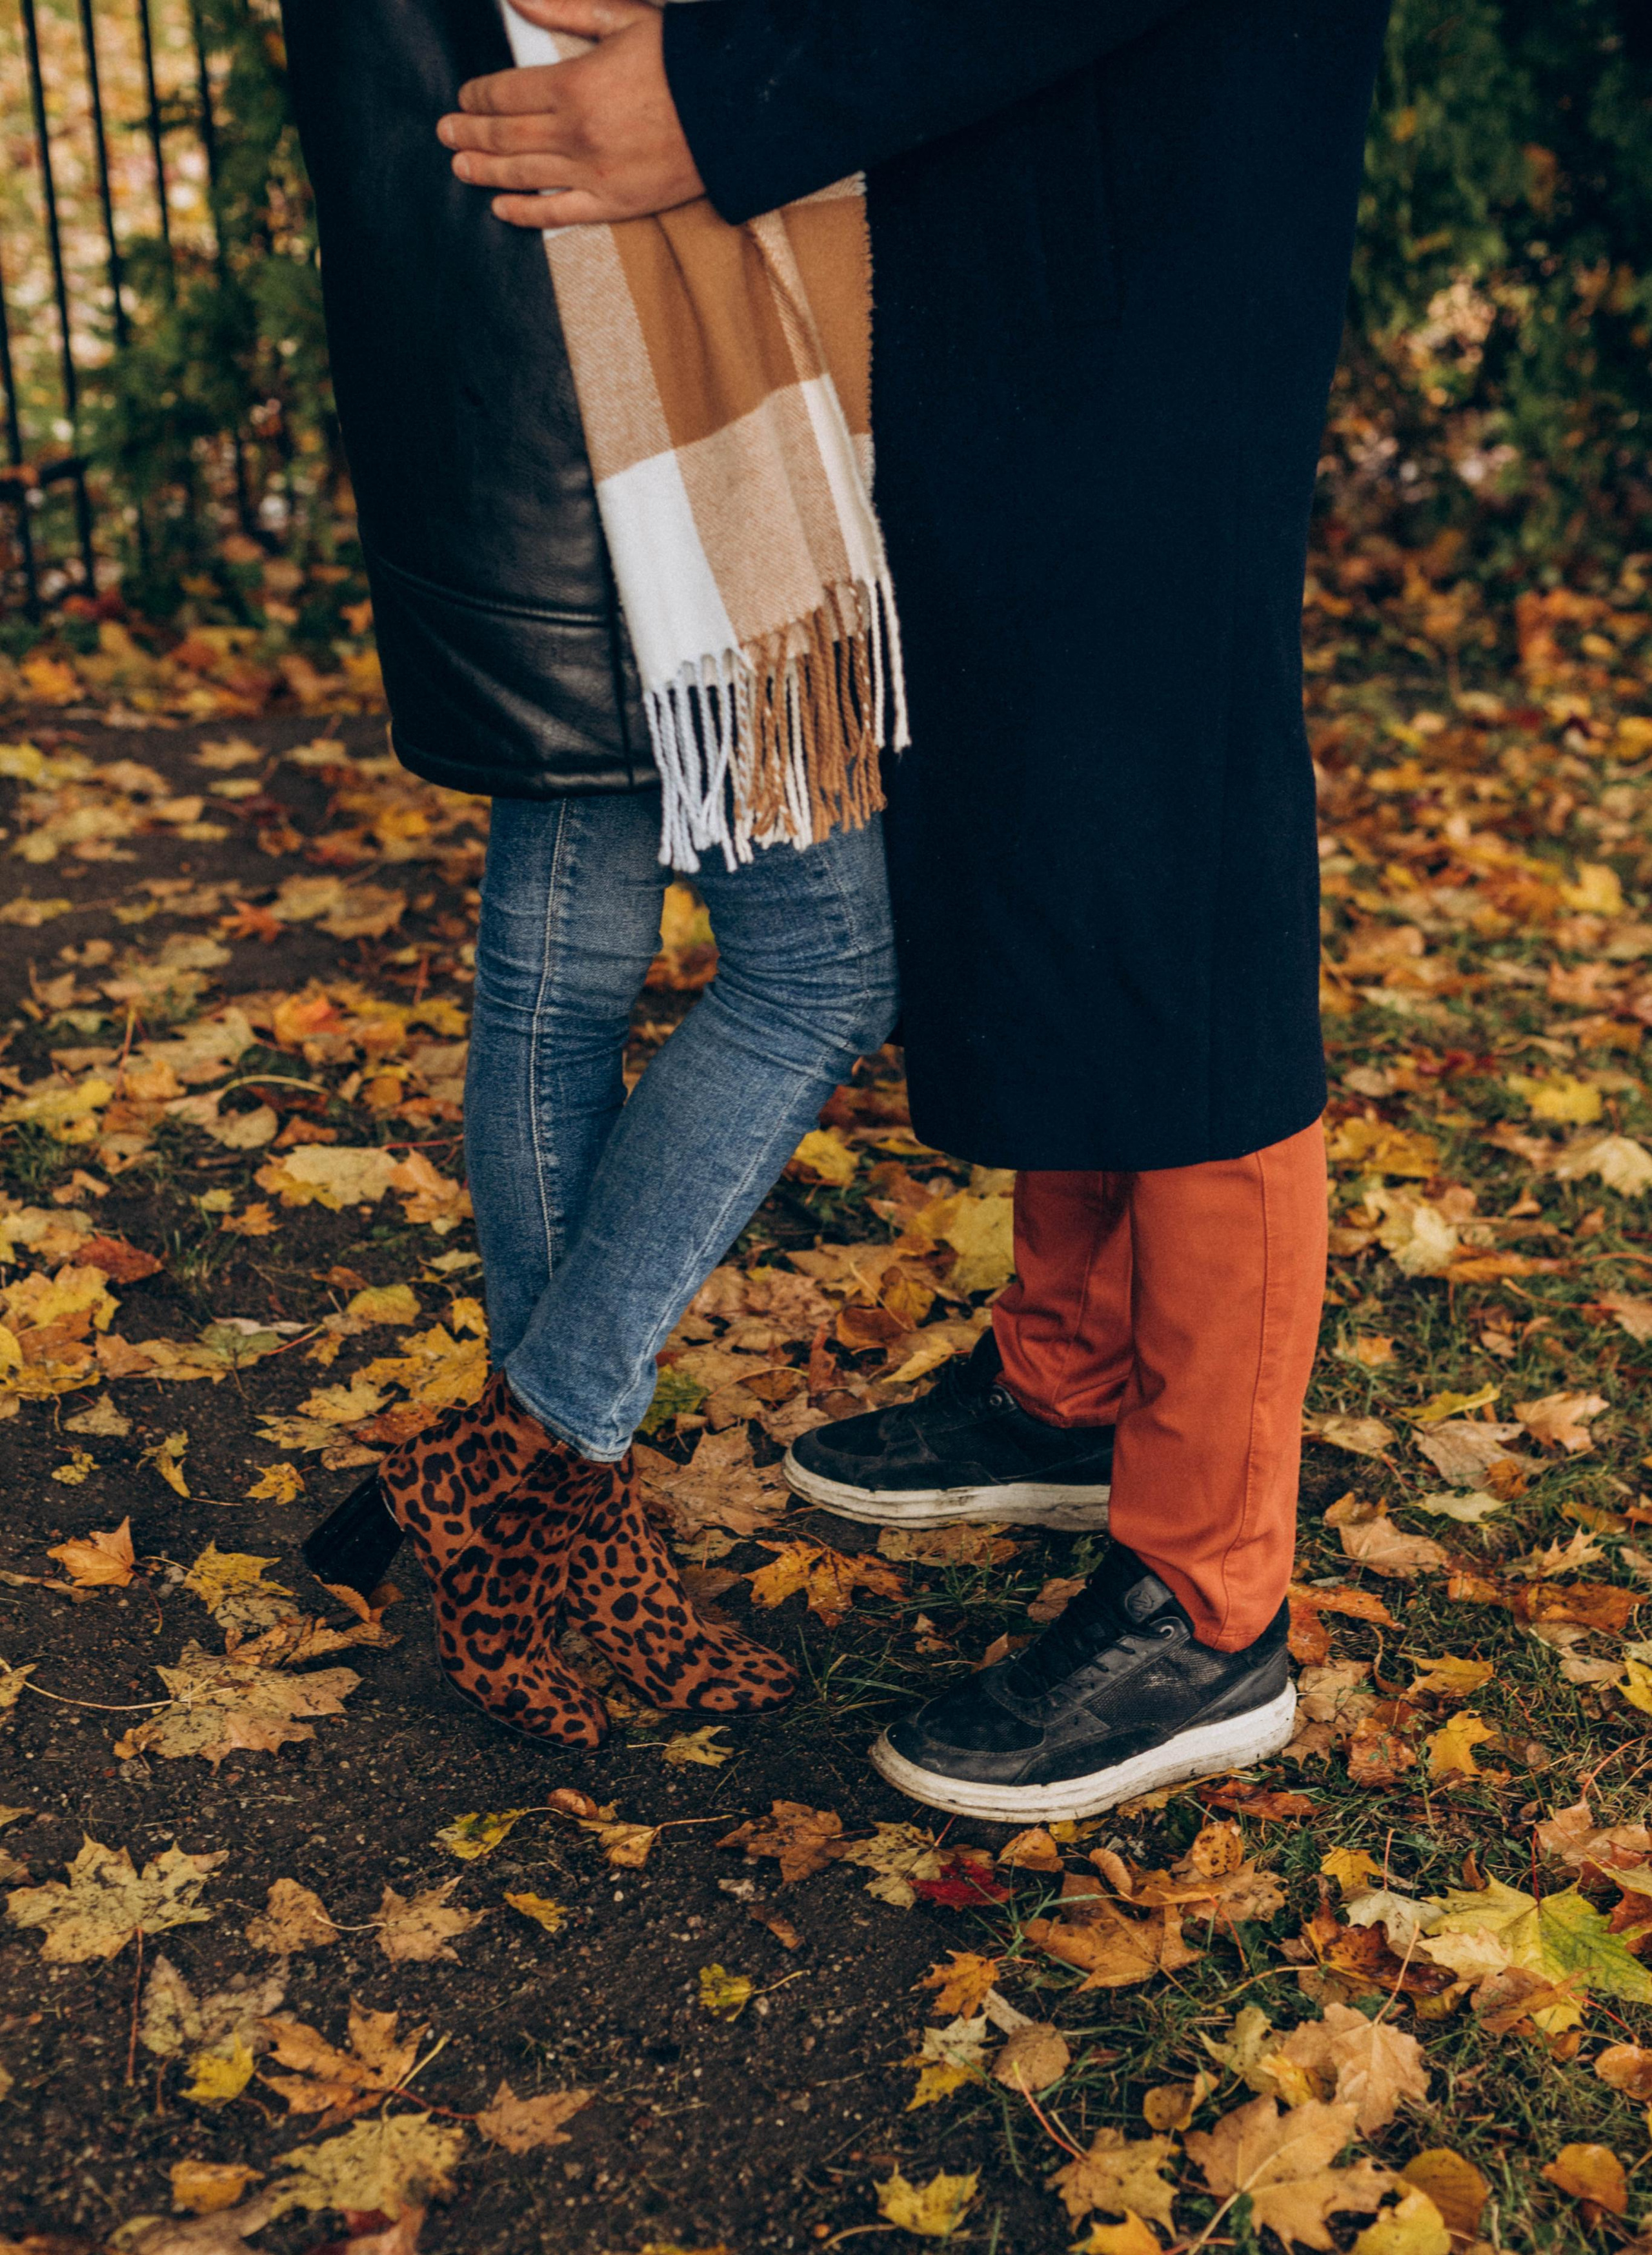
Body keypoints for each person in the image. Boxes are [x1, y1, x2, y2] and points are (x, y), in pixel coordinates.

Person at [294, 0, 1391, 1815]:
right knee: (1043, 812)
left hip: (1147, 205)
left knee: (1168, 861)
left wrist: (733, 91)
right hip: (976, 195)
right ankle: (1069, 1375)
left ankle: (1209, 1596)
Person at [281, 0, 903, 1746]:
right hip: (616, 318)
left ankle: (535, 1513)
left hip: (578, 325)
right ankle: (542, 1460)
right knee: (827, 957)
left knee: (568, 953)